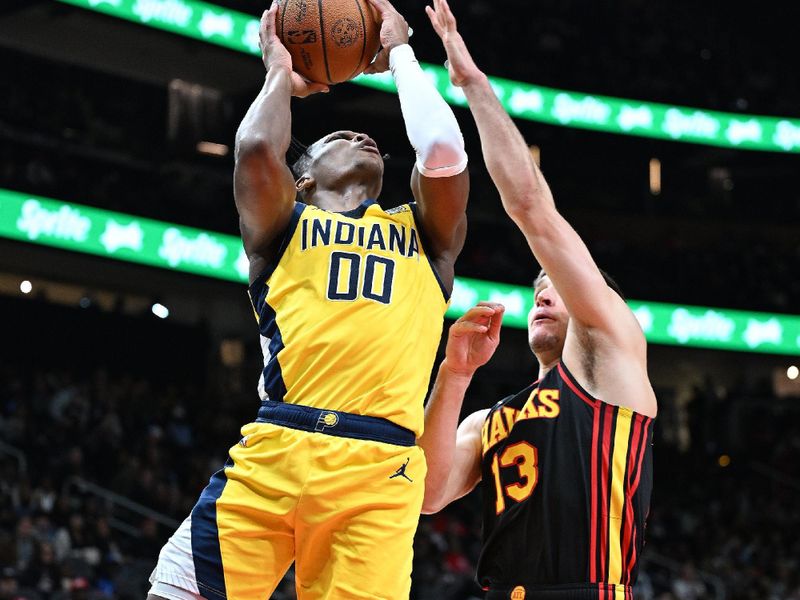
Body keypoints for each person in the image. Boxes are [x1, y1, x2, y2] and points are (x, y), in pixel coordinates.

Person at [147, 0, 469, 598]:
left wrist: (400, 53)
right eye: (336, 136)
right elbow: (255, 152)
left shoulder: (425, 236)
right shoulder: (281, 225)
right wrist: (280, 73)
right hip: (276, 449)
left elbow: (445, 155)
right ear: (302, 179)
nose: (358, 133)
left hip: (380, 468)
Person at [418, 1, 657, 598]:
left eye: (556, 286)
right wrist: (453, 374)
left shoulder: (610, 359)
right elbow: (427, 495)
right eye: (536, 291)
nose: (543, 293)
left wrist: (472, 84)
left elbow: (531, 208)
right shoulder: (493, 418)